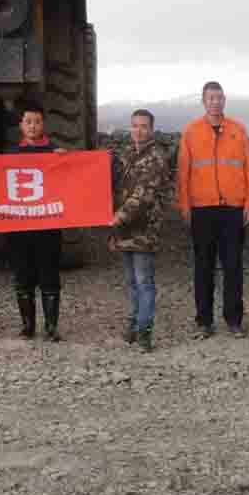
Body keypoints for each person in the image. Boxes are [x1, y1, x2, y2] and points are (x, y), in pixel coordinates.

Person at [177, 81, 249, 339]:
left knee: (233, 266)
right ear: (203, 101)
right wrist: (185, 205)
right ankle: (204, 321)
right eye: (210, 98)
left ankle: (234, 320)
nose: (215, 102)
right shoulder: (191, 132)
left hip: (232, 208)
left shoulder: (238, 130)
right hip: (202, 209)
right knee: (203, 267)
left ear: (224, 100)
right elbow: (183, 173)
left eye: (219, 97)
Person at [109, 108, 169, 352]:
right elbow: (105, 177)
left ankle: (144, 331)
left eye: (144, 126)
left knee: (144, 282)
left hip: (144, 230)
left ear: (151, 129)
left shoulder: (156, 158)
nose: (139, 130)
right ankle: (134, 325)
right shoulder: (125, 155)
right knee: (132, 281)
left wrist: (119, 216)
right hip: (124, 231)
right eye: (135, 125)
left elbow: (144, 195)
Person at [5, 101, 64, 342]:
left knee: (50, 277)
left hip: (48, 228)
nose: (32, 126)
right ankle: (27, 327)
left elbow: (69, 182)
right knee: (22, 277)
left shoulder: (55, 153)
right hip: (19, 229)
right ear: (21, 125)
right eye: (28, 121)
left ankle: (51, 327)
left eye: (37, 122)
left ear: (43, 124)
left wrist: (66, 161)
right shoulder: (9, 154)